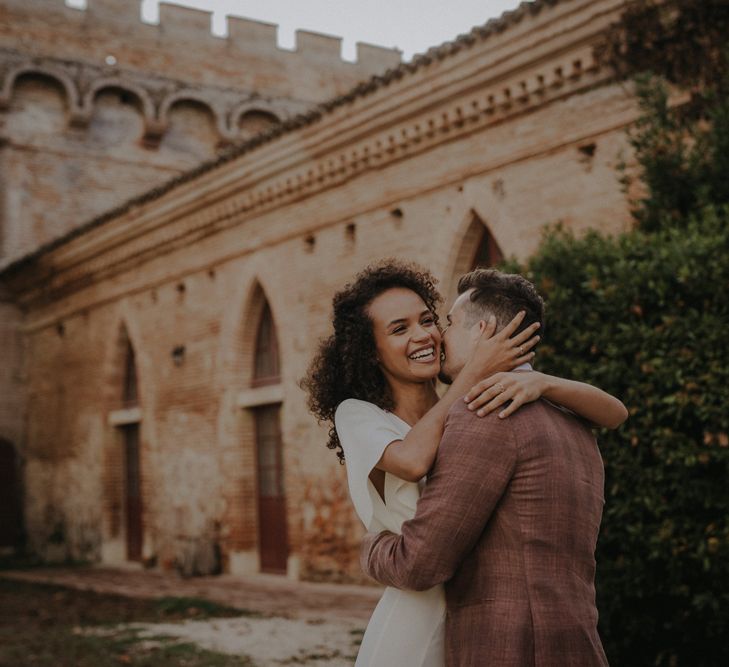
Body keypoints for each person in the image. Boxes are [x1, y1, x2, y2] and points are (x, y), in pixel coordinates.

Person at [302, 261, 626, 666]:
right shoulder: (362, 413)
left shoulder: (481, 411)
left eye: (434, 320)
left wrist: (371, 547)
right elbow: (411, 459)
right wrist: (476, 374)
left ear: (483, 332)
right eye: (400, 329)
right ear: (370, 350)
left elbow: (421, 561)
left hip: (493, 629)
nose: (427, 335)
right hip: (425, 619)